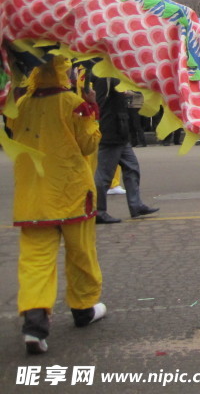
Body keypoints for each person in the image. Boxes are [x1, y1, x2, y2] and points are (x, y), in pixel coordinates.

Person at [5, 56, 107, 354]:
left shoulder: (21, 104)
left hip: (34, 198)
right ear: (63, 71)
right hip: (73, 193)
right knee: (81, 254)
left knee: (35, 260)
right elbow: (88, 143)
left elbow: (12, 127)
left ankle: (34, 324)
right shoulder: (73, 102)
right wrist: (91, 108)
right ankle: (83, 308)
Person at [92, 76, 160, 223]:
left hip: (121, 131)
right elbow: (100, 104)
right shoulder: (104, 78)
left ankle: (136, 205)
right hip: (110, 132)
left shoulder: (113, 75)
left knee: (132, 168)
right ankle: (98, 210)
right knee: (104, 175)